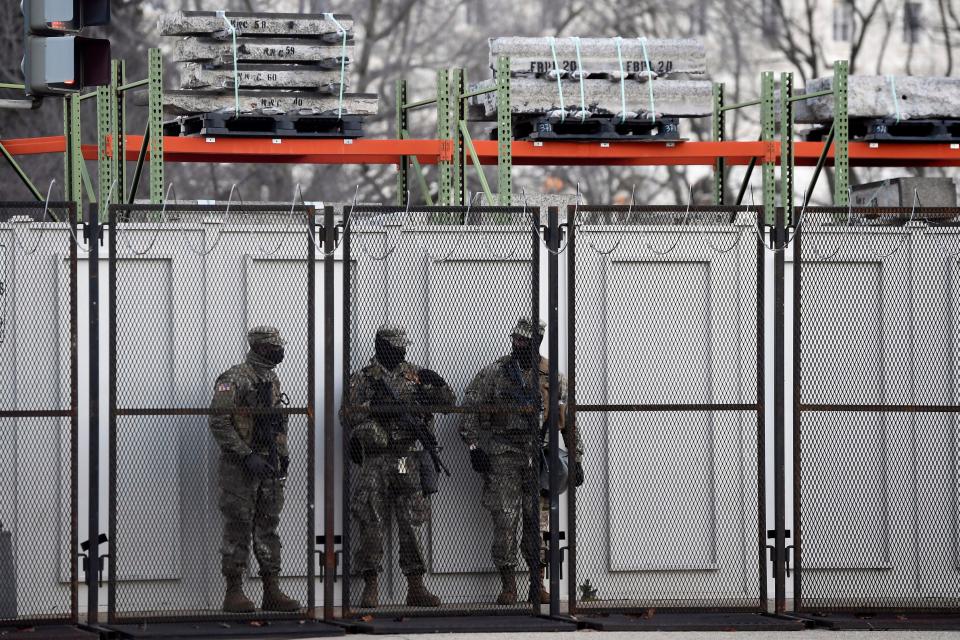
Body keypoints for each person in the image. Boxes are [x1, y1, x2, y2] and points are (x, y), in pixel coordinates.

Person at [459, 317, 583, 605]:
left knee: (537, 523)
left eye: (524, 340)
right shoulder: (494, 373)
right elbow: (468, 411)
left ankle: (536, 584)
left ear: (537, 341)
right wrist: (474, 446)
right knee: (504, 521)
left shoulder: (552, 376)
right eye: (515, 338)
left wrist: (575, 458)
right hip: (503, 455)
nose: (517, 343)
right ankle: (509, 585)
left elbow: (568, 421)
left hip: (537, 457)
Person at [341, 324, 455, 608]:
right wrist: (374, 411)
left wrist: (437, 384)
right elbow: (348, 414)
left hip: (407, 457)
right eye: (395, 346)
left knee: (412, 521)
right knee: (371, 520)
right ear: (381, 346)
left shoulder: (416, 375)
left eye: (404, 346)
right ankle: (371, 587)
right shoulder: (363, 379)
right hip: (376, 459)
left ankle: (415, 586)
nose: (401, 351)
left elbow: (448, 404)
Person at [208, 326, 301, 613]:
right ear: (261, 348)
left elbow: (276, 422)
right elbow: (219, 421)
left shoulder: (271, 378)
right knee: (238, 525)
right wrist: (246, 455)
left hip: (268, 463)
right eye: (275, 347)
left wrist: (282, 455)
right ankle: (233, 592)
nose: (280, 351)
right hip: (240, 467)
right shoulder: (233, 378)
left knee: (268, 526)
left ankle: (271, 590)